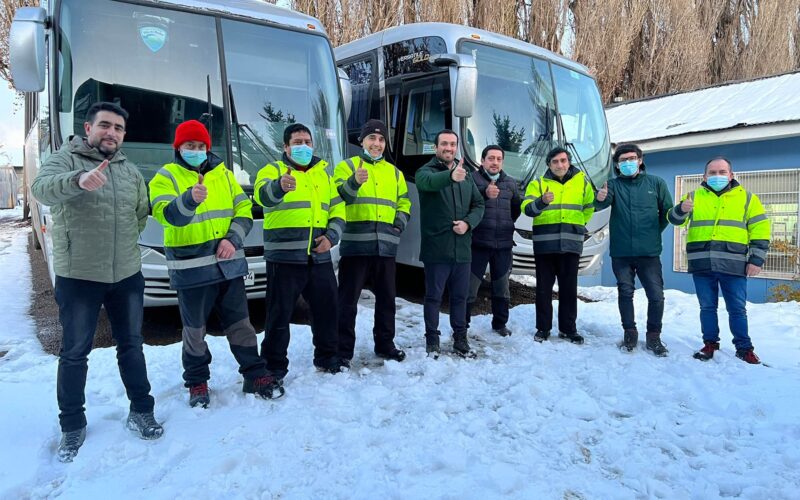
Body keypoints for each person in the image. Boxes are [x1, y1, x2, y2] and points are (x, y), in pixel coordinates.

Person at [31, 102, 163, 463]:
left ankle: (141, 409)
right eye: (105, 125)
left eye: (118, 128)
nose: (112, 133)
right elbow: (41, 189)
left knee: (132, 346)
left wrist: (120, 250)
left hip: (126, 276)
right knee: (74, 353)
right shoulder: (66, 159)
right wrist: (77, 181)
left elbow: (139, 215)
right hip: (79, 277)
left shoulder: (129, 171)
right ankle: (72, 425)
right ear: (87, 128)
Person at [149, 120, 283, 407]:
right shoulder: (166, 176)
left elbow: (244, 210)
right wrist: (189, 199)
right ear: (179, 148)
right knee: (194, 332)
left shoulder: (223, 174)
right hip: (192, 270)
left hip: (228, 265)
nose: (196, 151)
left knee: (242, 326)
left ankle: (254, 374)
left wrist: (232, 239)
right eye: (190, 146)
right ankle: (197, 382)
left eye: (201, 146)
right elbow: (166, 215)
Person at [253, 123, 346, 382]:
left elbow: (338, 210)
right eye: (297, 142)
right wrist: (280, 187)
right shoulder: (272, 170)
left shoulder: (324, 176)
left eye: (307, 142)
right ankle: (273, 366)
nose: (303, 146)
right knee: (278, 315)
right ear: (285, 147)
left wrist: (331, 237)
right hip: (284, 257)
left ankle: (328, 358)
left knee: (327, 310)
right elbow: (262, 198)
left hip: (319, 255)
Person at [667, 157, 770, 364]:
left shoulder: (748, 199)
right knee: (707, 307)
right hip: (702, 263)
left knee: (737, 309)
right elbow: (673, 220)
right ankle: (710, 344)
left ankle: (744, 348)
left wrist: (756, 260)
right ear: (704, 176)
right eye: (712, 172)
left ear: (731, 175)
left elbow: (760, 229)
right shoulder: (693, 196)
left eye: (722, 172)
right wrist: (681, 209)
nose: (717, 176)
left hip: (734, 264)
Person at [334, 119, 411, 366]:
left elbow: (404, 203)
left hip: (386, 247)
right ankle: (343, 351)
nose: (376, 144)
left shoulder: (394, 172)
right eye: (372, 138)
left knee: (387, 299)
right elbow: (337, 199)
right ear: (362, 141)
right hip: (356, 246)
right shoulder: (346, 167)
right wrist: (354, 181)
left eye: (380, 139)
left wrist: (399, 223)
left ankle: (385, 345)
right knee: (347, 301)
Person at [595, 143, 673, 356]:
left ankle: (654, 336)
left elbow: (667, 212)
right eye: (623, 160)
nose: (628, 163)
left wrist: (654, 231)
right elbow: (600, 204)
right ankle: (630, 333)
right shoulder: (612, 185)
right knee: (625, 293)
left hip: (649, 252)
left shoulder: (656, 183)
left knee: (656, 295)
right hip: (621, 252)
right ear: (617, 165)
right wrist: (599, 198)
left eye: (631, 158)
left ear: (640, 160)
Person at [416, 130, 485, 357]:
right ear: (436, 147)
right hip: (437, 249)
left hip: (462, 250)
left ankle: (460, 339)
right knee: (433, 297)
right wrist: (450, 176)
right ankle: (432, 341)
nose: (449, 148)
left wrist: (467, 224)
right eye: (444, 144)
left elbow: (479, 205)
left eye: (453, 144)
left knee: (460, 298)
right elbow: (428, 183)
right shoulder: (425, 171)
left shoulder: (466, 175)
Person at [521, 147, 595, 344]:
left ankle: (568, 329)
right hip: (545, 245)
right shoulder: (538, 183)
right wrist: (542, 202)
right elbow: (527, 209)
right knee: (544, 290)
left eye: (563, 160)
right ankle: (543, 329)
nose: (560, 165)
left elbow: (589, 208)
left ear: (568, 162)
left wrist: (577, 226)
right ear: (549, 164)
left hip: (571, 244)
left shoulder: (582, 182)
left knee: (569, 289)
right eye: (555, 161)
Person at [466, 145, 521, 337]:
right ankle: (462, 324)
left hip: (503, 245)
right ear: (482, 161)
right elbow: (465, 204)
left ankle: (500, 324)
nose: (495, 162)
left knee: (502, 289)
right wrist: (484, 194)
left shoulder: (511, 183)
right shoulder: (471, 179)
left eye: (499, 159)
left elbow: (515, 210)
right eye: (491, 158)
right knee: (470, 289)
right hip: (477, 244)